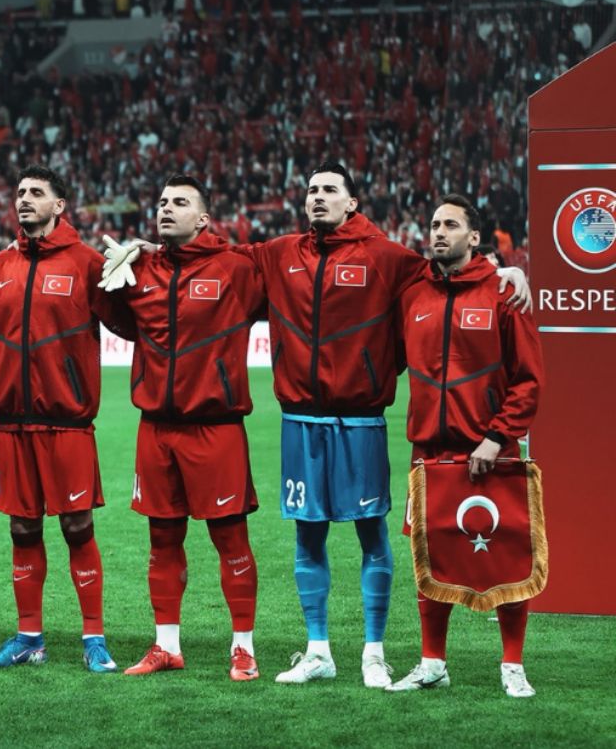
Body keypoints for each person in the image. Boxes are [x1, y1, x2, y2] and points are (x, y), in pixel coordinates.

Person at [102, 160, 529, 687]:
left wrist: (502, 270)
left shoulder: (386, 257)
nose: (318, 197)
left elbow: (448, 268)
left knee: (372, 534)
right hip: (300, 420)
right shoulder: (279, 253)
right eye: (311, 190)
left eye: (329, 190)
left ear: (352, 203)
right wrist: (151, 249)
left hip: (362, 420)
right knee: (307, 536)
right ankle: (318, 652)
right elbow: (211, 255)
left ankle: (374, 653)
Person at [0, 165, 136, 673]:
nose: (24, 199)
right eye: (20, 192)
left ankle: (94, 638)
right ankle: (29, 638)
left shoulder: (87, 263)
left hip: (66, 421)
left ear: (59, 205)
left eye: (36, 193)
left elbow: (130, 326)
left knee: (77, 525)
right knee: (22, 528)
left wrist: (137, 277)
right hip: (11, 423)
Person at [387, 194, 542, 698]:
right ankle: (432, 662)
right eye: (434, 224)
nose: (439, 232)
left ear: (474, 237)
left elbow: (528, 380)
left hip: (491, 452)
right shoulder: (414, 294)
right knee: (429, 556)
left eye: (450, 225)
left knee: (507, 554)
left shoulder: (504, 293)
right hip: (429, 453)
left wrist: (496, 438)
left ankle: (513, 665)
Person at [113, 176, 265, 681]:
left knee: (230, 540)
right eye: (161, 202)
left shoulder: (235, 268)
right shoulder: (141, 269)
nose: (166, 208)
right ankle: (166, 646)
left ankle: (243, 648)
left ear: (203, 218)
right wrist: (113, 275)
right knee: (162, 540)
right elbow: (116, 319)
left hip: (215, 429)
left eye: (179, 202)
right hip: (155, 429)